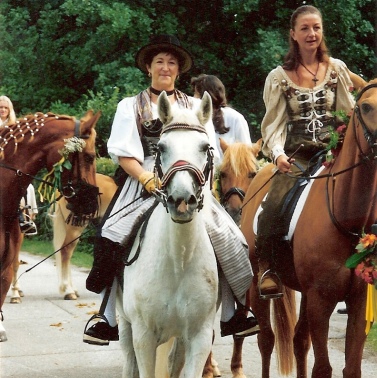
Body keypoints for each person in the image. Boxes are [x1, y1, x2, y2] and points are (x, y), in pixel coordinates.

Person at [83, 35, 259, 346]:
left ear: (178, 71)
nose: (165, 67)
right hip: (143, 182)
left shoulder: (194, 105)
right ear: (148, 67)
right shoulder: (130, 106)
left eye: (172, 63)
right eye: (160, 62)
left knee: (231, 236)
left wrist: (194, 179)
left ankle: (234, 311)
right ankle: (107, 315)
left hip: (189, 181)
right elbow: (124, 153)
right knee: (111, 233)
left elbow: (209, 151)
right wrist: (148, 179)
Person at [257, 5, 362, 298]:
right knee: (275, 202)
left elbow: (349, 112)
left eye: (316, 27)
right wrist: (278, 154)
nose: (311, 33)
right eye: (304, 28)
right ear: (293, 34)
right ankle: (269, 268)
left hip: (336, 152)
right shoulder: (279, 77)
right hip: (298, 156)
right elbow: (273, 125)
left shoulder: (336, 69)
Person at [191, 74, 252, 163]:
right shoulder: (193, 119)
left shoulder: (235, 118)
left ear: (208, 96)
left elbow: (247, 153)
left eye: (196, 94)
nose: (193, 98)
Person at [0, 95, 38, 234]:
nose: (3, 110)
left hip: (9, 166)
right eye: (1, 107)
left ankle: (25, 219)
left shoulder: (15, 127)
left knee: (28, 187)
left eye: (5, 107)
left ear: (10, 110)